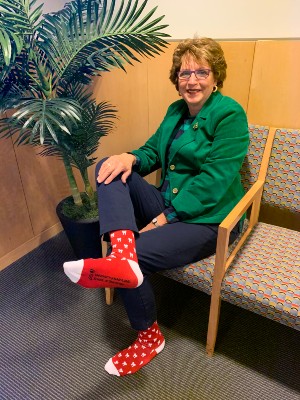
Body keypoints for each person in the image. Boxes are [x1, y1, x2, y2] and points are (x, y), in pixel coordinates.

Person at [64, 37, 249, 377]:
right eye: (184, 73)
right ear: (176, 79)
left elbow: (215, 180)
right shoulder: (175, 111)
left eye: (201, 72)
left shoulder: (230, 114)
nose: (191, 80)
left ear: (216, 77)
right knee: (109, 167)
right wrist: (129, 157)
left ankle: (149, 337)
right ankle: (120, 253)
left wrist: (168, 215)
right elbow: (152, 152)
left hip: (209, 219)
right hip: (168, 202)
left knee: (135, 254)